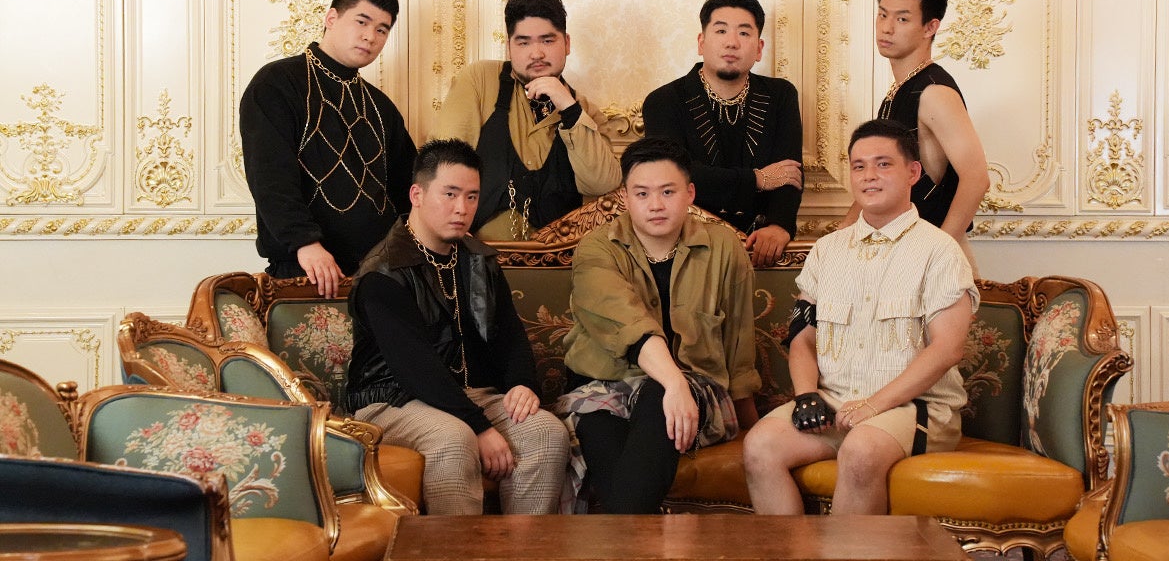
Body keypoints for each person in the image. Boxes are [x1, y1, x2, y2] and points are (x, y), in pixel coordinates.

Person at [742, 119, 977, 515]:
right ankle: (791, 549)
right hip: (836, 402)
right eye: (859, 166)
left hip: (913, 408)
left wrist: (873, 406)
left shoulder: (940, 251)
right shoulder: (827, 250)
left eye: (883, 164)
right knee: (759, 446)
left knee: (862, 449)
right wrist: (806, 395)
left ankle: (846, 548)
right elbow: (802, 337)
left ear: (913, 172)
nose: (869, 176)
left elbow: (947, 349)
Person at [345, 139, 570, 514]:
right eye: (449, 194)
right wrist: (479, 427)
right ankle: (455, 545)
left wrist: (522, 384)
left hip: (470, 395)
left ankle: (523, 544)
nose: (462, 208)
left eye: (471, 196)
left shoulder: (479, 259)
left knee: (546, 433)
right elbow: (416, 368)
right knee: (454, 439)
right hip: (391, 400)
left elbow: (510, 335)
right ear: (417, 195)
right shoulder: (384, 272)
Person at [555, 136, 761, 513]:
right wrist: (673, 383)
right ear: (625, 198)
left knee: (656, 399)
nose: (655, 205)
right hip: (603, 387)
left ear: (689, 193)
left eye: (668, 191)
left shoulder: (723, 246)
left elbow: (739, 342)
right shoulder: (597, 248)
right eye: (642, 193)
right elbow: (627, 322)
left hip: (696, 389)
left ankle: (622, 533)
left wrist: (751, 426)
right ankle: (643, 532)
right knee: (600, 428)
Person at [240, 0, 416, 297]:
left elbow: (410, 187)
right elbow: (270, 176)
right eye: (362, 21)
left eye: (382, 29)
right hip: (307, 269)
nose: (370, 37)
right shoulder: (277, 84)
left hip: (381, 274)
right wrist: (305, 243)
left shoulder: (381, 107)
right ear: (331, 18)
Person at [434, 0, 621, 241]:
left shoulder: (585, 112)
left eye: (547, 41)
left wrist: (569, 108)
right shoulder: (480, 81)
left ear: (566, 43)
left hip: (559, 257)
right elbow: (443, 162)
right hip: (481, 253)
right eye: (523, 42)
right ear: (509, 47)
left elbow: (602, 185)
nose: (536, 54)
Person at [836, 0, 988, 274]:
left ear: (930, 27)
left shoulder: (934, 92)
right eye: (882, 15)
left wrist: (938, 252)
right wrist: (843, 236)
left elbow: (976, 178)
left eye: (902, 19)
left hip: (935, 263)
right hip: (902, 254)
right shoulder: (900, 90)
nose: (887, 28)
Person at [643, 0, 803, 267]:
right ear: (701, 42)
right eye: (721, 31)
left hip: (759, 241)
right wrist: (757, 179)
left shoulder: (780, 96)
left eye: (744, 33)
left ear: (759, 49)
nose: (732, 43)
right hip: (686, 244)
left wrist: (779, 225)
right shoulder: (664, 101)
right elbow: (676, 178)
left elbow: (789, 173)